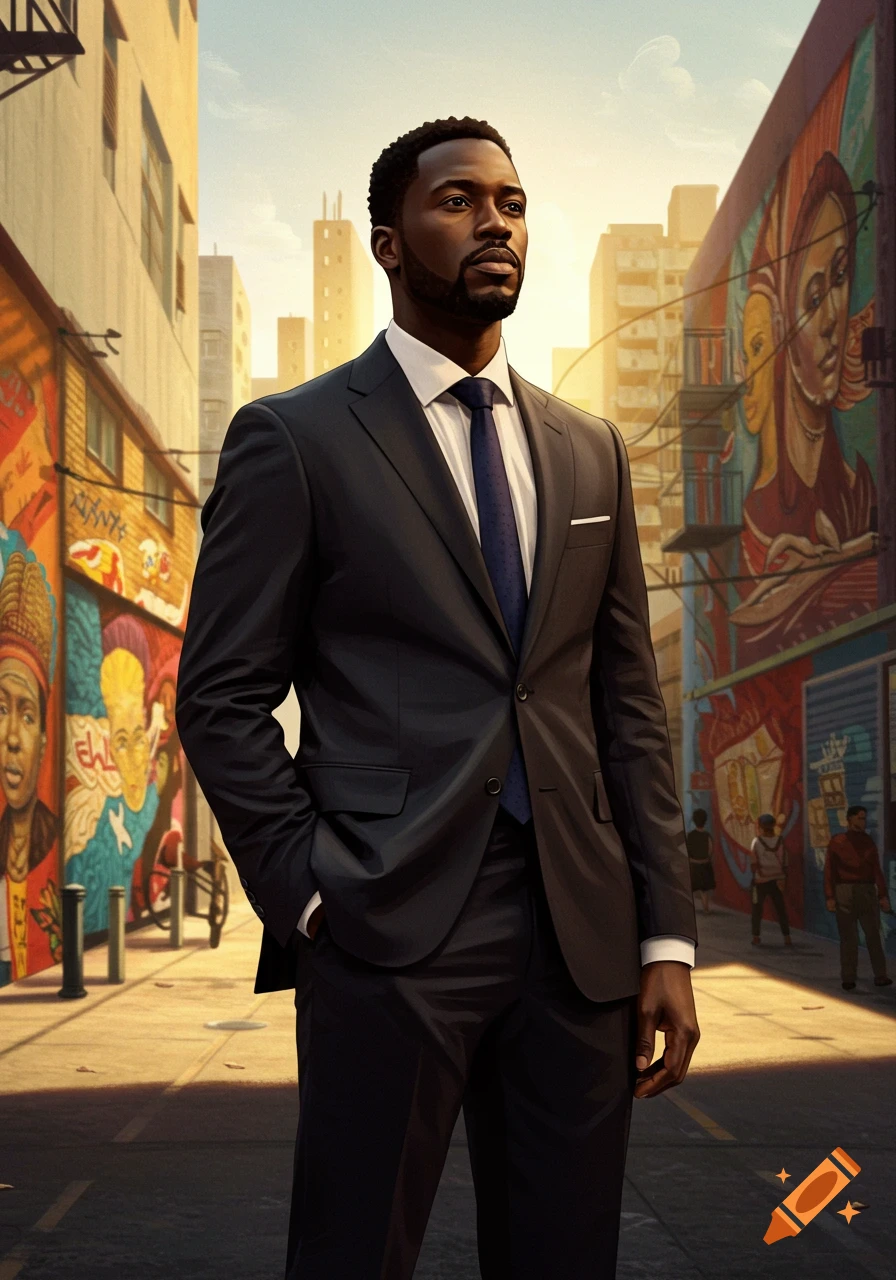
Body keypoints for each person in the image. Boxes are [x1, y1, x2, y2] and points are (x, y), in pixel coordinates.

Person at [176, 117, 700, 1280]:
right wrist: (307, 894)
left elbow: (626, 703)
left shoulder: (588, 451)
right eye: (458, 200)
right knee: (352, 1252)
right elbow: (218, 695)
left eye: (510, 202)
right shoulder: (295, 438)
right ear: (386, 241)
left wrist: (662, 928)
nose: (494, 223)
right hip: (383, 919)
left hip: (577, 933)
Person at [824, 804, 893, 991]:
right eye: (860, 818)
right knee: (850, 937)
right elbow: (829, 870)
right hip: (847, 890)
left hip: (863, 890)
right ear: (850, 819)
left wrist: (883, 895)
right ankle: (850, 977)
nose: (863, 822)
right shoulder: (839, 842)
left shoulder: (866, 842)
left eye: (864, 818)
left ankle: (878, 975)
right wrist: (830, 896)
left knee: (871, 935)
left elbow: (876, 870)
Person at [749, 813, 792, 947]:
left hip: (760, 881)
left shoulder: (756, 842)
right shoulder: (780, 840)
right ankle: (787, 937)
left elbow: (753, 864)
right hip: (777, 880)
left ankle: (756, 937)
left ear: (761, 827)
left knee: (757, 909)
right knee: (781, 909)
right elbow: (785, 862)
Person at [686, 808, 715, 914]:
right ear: (705, 820)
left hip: (693, 865)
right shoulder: (707, 835)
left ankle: (689, 909)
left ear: (694, 820)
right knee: (704, 890)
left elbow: (687, 849)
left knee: (690, 887)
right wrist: (707, 858)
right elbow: (711, 850)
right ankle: (705, 908)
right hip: (704, 865)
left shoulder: (690, 835)